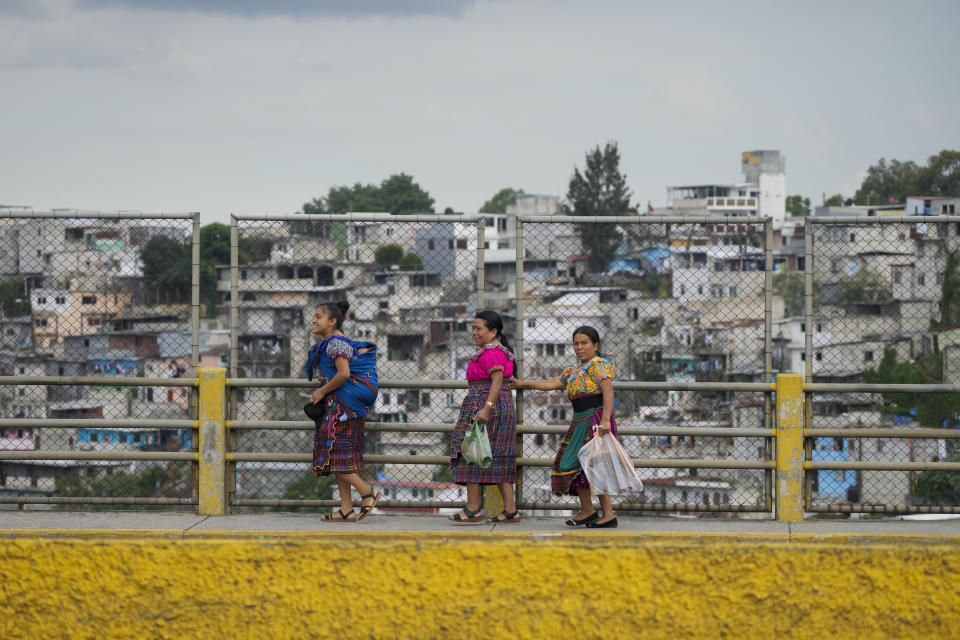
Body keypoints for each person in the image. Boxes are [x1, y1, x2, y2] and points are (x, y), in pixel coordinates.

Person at [510, 325, 619, 528]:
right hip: (579, 421)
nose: (579, 347)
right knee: (570, 464)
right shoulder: (573, 371)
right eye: (576, 343)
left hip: (595, 420)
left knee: (595, 466)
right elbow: (552, 384)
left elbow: (608, 391)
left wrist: (604, 421)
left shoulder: (600, 365)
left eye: (584, 343)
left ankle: (608, 514)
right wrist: (523, 383)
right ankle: (588, 510)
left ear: (595, 345)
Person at [305, 300, 381, 523]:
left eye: (318, 316)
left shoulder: (336, 343)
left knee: (338, 459)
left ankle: (368, 492)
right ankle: (346, 509)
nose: (314, 320)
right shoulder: (334, 342)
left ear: (332, 321)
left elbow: (344, 374)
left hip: (343, 407)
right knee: (339, 457)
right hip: (342, 406)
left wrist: (321, 392)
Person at [448, 310, 520, 524]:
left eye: (479, 328)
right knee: (497, 456)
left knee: (471, 450)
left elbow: (497, 381)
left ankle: (472, 508)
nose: (474, 332)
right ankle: (510, 510)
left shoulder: (492, 352)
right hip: (495, 405)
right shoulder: (497, 350)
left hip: (487, 406)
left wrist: (486, 408)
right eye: (473, 328)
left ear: (494, 331)